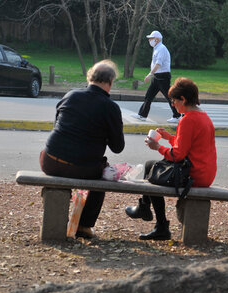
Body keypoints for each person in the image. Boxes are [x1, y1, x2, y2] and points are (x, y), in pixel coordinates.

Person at [40, 59, 124, 239]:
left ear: (89, 77)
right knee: (102, 174)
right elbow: (118, 147)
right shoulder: (110, 107)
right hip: (83, 168)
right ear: (110, 82)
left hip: (50, 161)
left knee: (61, 160)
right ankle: (84, 226)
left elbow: (57, 125)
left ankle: (55, 220)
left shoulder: (70, 95)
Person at [125, 77, 217, 240]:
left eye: (174, 101)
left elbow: (177, 155)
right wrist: (169, 137)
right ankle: (145, 209)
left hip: (193, 175)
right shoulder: (203, 116)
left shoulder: (188, 119)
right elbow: (189, 145)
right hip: (205, 171)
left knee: (152, 169)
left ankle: (159, 224)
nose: (172, 105)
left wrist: (157, 147)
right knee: (151, 166)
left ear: (183, 99)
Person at [131, 30, 182, 124]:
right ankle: (142, 115)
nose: (149, 40)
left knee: (169, 97)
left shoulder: (161, 48)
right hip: (157, 76)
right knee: (149, 96)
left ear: (157, 39)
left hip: (163, 77)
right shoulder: (157, 48)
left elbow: (158, 64)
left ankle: (177, 115)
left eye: (151, 38)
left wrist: (150, 74)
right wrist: (153, 74)